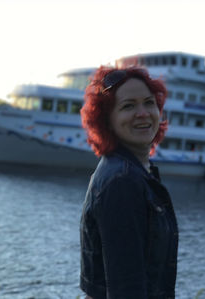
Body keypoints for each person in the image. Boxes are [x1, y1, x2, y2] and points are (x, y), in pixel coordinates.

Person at [79, 65, 178, 299]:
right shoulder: (122, 182)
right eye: (128, 106)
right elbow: (126, 289)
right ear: (107, 121)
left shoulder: (131, 171)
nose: (143, 113)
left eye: (149, 102)